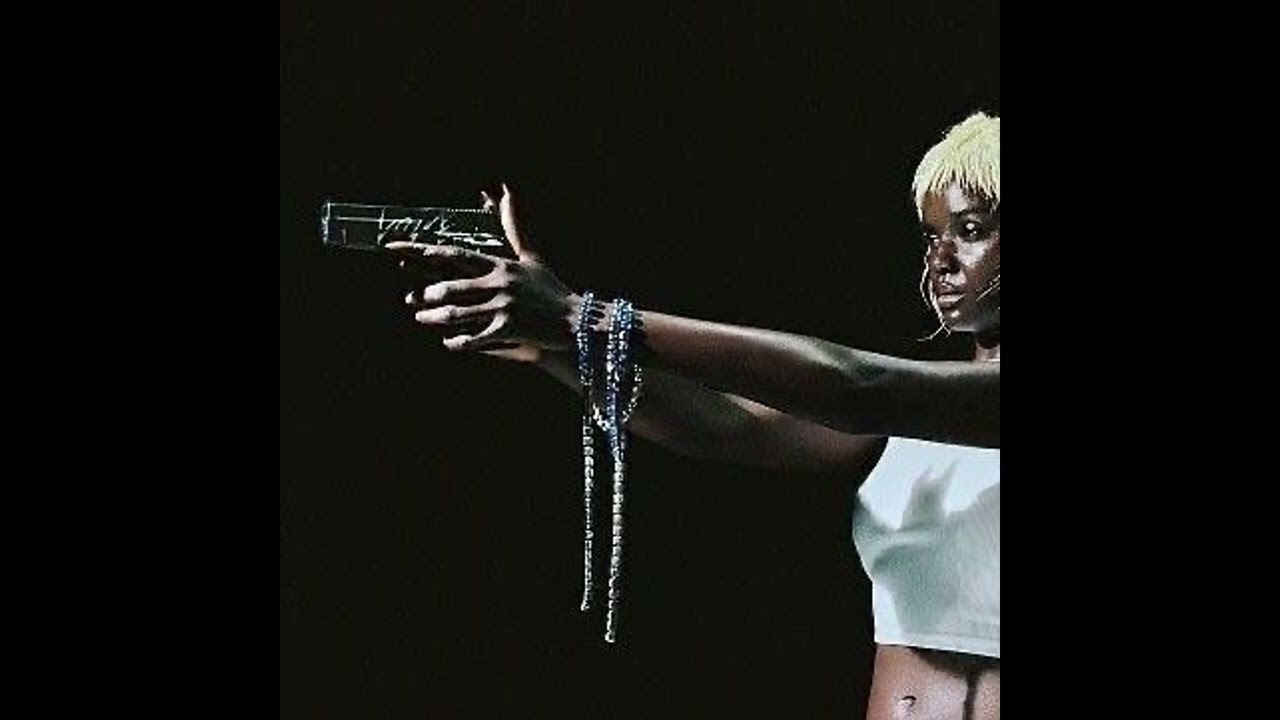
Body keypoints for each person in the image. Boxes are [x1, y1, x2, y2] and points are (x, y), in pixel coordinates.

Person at [388, 111, 1000, 719]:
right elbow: (725, 424)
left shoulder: (908, 400)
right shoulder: (917, 421)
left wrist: (584, 318)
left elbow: (859, 388)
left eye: (970, 230)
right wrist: (554, 346)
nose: (940, 259)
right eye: (931, 236)